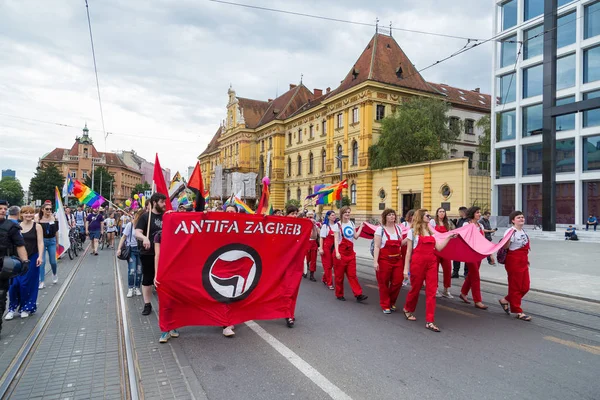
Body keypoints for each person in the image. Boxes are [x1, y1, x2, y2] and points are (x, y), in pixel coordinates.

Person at [402, 209, 455, 332]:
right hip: (418, 263)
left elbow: (439, 248)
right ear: (421, 217)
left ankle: (430, 321)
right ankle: (407, 308)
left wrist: (449, 238)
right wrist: (406, 269)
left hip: (431, 263)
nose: (429, 217)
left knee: (431, 292)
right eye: (427, 215)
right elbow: (409, 252)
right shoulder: (412, 232)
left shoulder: (431, 232)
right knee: (415, 289)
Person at [6, 206, 43, 320]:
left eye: (31, 213)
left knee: (27, 284)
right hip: (17, 259)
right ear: (21, 214)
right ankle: (12, 308)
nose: (28, 215)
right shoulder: (16, 227)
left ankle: (26, 307)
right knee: (14, 284)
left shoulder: (37, 226)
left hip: (32, 257)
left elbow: (40, 242)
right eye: (25, 213)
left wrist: (40, 256)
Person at [0, 199, 29, 338]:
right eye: (0, 208)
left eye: (5, 208)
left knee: (1, 296)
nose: (3, 210)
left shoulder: (11, 227)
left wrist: (25, 261)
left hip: (3, 266)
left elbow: (20, 244)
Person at [135, 193, 166, 316]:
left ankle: (164, 305)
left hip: (164, 253)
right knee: (147, 278)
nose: (164, 204)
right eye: (162, 202)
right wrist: (144, 238)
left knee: (162, 280)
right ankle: (147, 304)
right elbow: (137, 232)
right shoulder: (145, 217)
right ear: (154, 203)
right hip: (148, 252)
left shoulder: (167, 217)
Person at [498, 211, 532, 321]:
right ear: (513, 220)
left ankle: (505, 300)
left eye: (522, 217)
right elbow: (506, 247)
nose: (521, 219)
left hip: (523, 261)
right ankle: (518, 311)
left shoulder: (522, 231)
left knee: (525, 287)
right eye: (518, 218)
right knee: (515, 287)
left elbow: (524, 247)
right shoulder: (510, 231)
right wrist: (506, 240)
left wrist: (526, 260)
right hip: (513, 261)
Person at [333, 206, 368, 303]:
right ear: (342, 214)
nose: (348, 214)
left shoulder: (351, 223)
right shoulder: (338, 225)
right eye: (346, 212)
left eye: (349, 212)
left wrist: (361, 227)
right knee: (339, 276)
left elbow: (356, 236)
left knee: (352, 275)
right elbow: (336, 239)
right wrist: (337, 252)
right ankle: (339, 294)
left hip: (350, 253)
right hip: (341, 252)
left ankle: (358, 294)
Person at [373, 209, 404, 314]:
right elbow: (377, 246)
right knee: (384, 283)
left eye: (393, 215)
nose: (392, 216)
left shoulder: (399, 228)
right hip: (384, 260)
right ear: (385, 217)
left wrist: (410, 237)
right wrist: (375, 262)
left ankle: (391, 301)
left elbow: (401, 243)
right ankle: (385, 304)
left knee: (398, 282)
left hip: (397, 259)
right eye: (389, 215)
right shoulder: (380, 230)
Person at [152, 229, 181, 343]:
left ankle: (171, 326)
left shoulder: (177, 232)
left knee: (172, 301)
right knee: (166, 301)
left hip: (175, 271)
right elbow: (157, 255)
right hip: (167, 271)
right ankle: (166, 329)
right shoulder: (159, 235)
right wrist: (156, 274)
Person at [458, 206, 488, 310]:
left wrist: (489, 254)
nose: (479, 214)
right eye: (477, 212)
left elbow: (483, 240)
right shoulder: (467, 224)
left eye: (480, 212)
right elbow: (463, 238)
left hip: (478, 253)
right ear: (472, 214)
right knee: (475, 276)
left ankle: (463, 293)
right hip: (470, 253)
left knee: (471, 274)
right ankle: (477, 300)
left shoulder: (480, 225)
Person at [117, 209, 143, 298]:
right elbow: (123, 237)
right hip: (131, 249)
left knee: (139, 270)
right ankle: (130, 288)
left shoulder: (143, 226)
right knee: (132, 270)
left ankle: (137, 287)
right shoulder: (130, 225)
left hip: (140, 250)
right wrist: (119, 249)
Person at [429, 207, 454, 298]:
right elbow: (430, 233)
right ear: (437, 213)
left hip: (446, 249)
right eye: (440, 211)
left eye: (443, 211)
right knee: (434, 270)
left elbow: (452, 232)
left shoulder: (448, 223)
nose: (442, 213)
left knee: (448, 269)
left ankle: (446, 289)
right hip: (435, 249)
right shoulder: (432, 222)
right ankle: (435, 289)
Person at [38, 200, 59, 288]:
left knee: (53, 261)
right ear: (42, 210)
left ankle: (54, 273)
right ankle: (41, 281)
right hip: (42, 240)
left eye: (50, 209)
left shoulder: (54, 218)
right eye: (47, 209)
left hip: (51, 241)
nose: (49, 211)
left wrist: (57, 242)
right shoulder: (38, 219)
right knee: (42, 262)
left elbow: (56, 231)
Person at [319, 210, 337, 290]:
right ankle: (329, 283)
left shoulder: (337, 225)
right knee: (328, 266)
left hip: (334, 247)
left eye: (334, 215)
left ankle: (324, 278)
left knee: (333, 265)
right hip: (326, 248)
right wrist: (321, 248)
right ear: (328, 217)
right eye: (332, 215)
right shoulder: (325, 226)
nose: (334, 216)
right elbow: (322, 238)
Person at [452, 206, 469, 278]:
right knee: (456, 257)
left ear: (463, 212)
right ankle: (455, 272)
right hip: (458, 241)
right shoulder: (460, 220)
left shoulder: (468, 220)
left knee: (466, 258)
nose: (459, 213)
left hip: (465, 242)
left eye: (459, 212)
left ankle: (466, 273)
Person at [304, 210, 319, 282]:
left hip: (314, 244)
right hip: (306, 243)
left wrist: (314, 226)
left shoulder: (316, 225)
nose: (310, 216)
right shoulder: (304, 224)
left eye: (312, 215)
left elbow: (316, 235)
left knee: (313, 260)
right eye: (309, 215)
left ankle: (312, 275)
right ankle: (305, 271)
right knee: (306, 259)